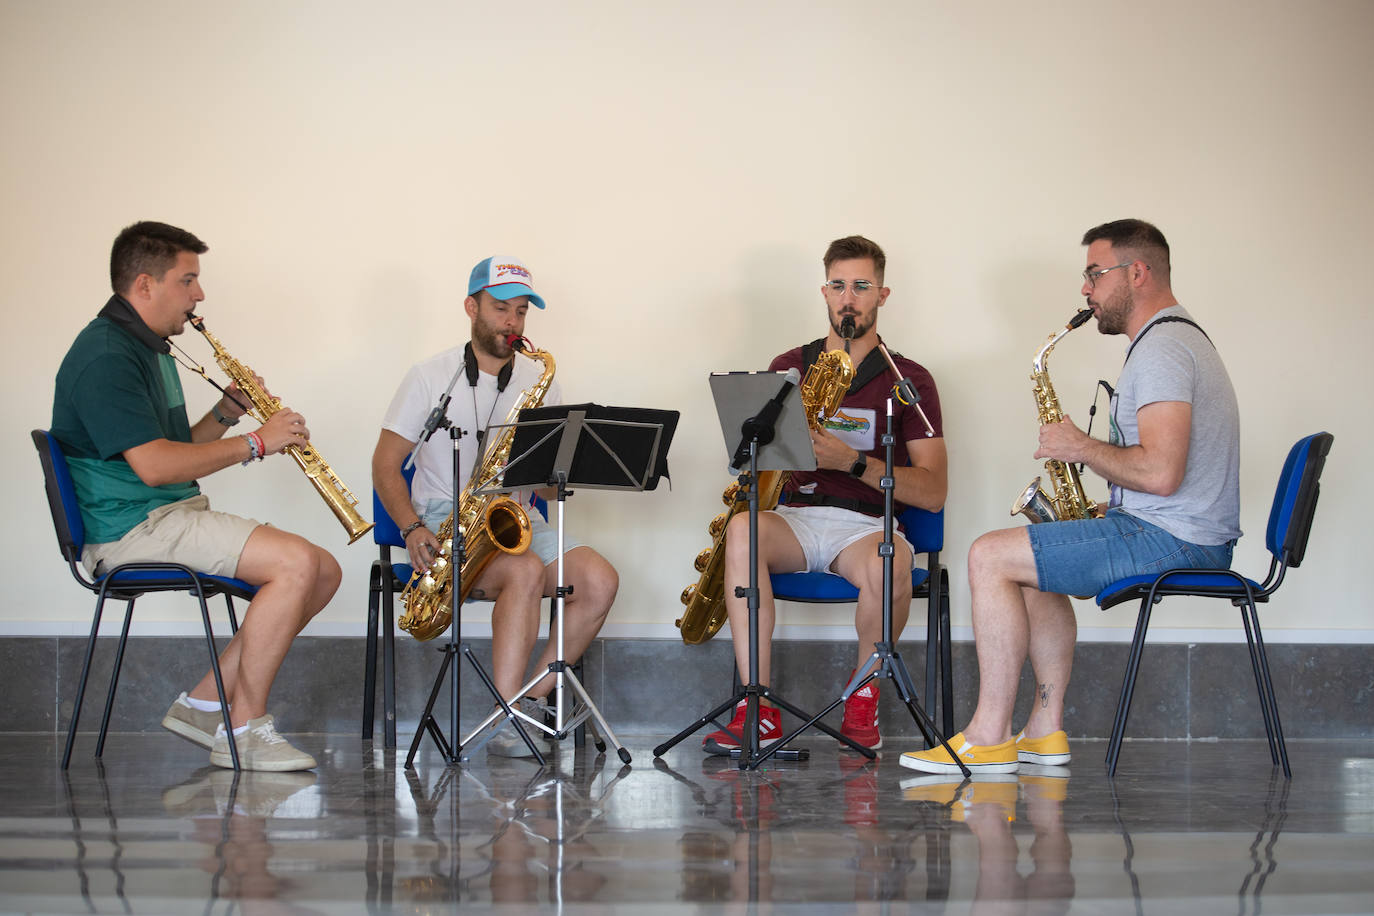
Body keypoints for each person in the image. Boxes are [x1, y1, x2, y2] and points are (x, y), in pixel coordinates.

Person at [901, 218, 1240, 775]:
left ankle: (987, 736)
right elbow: (1164, 478)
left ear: (1137, 272)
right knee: (1033, 559)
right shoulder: (1173, 340)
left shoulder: (1164, 349)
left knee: (989, 555)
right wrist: (1116, 506)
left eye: (1094, 274)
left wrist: (1080, 446)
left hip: (1176, 540)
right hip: (1177, 530)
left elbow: (1161, 474)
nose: (1085, 289)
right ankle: (1044, 730)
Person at [51, 221, 341, 772]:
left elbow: (175, 446)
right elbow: (157, 467)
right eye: (188, 281)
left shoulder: (150, 346)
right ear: (144, 285)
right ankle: (245, 730)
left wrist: (227, 413)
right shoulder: (106, 356)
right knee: (297, 563)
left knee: (325, 571)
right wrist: (255, 442)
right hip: (131, 528)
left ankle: (204, 703)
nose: (199, 295)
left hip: (162, 512)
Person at [702, 235, 948, 755]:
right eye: (838, 285)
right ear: (824, 291)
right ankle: (757, 707)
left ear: (883, 295)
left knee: (891, 564)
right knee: (742, 531)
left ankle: (862, 701)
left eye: (861, 286)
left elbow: (932, 491)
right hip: (795, 515)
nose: (848, 297)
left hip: (866, 525)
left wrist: (851, 461)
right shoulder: (790, 365)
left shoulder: (911, 381)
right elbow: (755, 462)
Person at [372, 256, 618, 757]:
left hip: (517, 515)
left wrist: (559, 473)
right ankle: (509, 721)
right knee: (523, 572)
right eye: (501, 308)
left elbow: (549, 491)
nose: (512, 323)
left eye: (521, 312)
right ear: (471, 307)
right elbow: (385, 464)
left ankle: (530, 698)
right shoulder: (429, 376)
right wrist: (412, 527)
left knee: (599, 579)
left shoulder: (538, 379)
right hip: (445, 516)